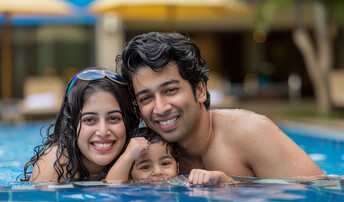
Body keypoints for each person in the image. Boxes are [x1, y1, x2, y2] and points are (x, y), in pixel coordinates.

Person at [116, 32, 324, 180]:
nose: (160, 108)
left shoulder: (250, 132)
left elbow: (322, 194)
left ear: (199, 90)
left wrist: (235, 189)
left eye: (170, 90)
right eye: (146, 98)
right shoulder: (152, 155)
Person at [23, 67, 140, 182]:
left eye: (113, 118)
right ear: (72, 123)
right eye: (89, 120)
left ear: (128, 121)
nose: (103, 132)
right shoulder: (55, 165)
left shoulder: (139, 156)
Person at [105, 127, 232, 185]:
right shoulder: (131, 187)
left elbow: (233, 188)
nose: (158, 172)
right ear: (130, 175)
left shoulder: (182, 182)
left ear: (177, 166)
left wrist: (220, 178)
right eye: (145, 167)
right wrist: (128, 156)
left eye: (165, 163)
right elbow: (111, 186)